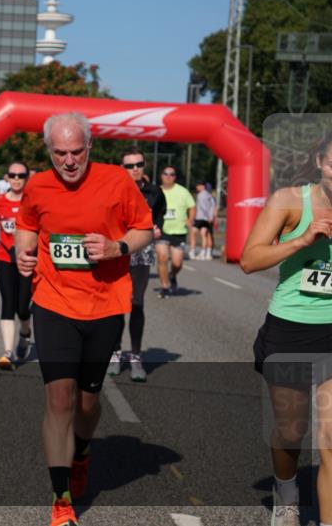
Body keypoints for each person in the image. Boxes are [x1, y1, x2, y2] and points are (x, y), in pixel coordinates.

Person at [15, 112, 152, 526]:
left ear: (89, 148)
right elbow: (27, 223)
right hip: (54, 303)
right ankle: (61, 501)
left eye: (77, 152)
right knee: (59, 399)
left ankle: (84, 449)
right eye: (60, 153)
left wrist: (117, 247)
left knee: (88, 404)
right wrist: (25, 251)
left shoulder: (116, 181)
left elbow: (145, 229)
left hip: (106, 304)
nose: (69, 161)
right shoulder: (37, 184)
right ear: (48, 151)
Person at [242, 135, 332, 526]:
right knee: (291, 432)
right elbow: (249, 259)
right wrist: (302, 241)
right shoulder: (290, 201)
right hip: (292, 330)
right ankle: (287, 489)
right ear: (321, 161)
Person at [107, 149, 166, 382]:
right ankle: (114, 353)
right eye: (129, 165)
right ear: (122, 168)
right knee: (116, 304)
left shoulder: (154, 191)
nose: (135, 169)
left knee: (137, 303)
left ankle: (136, 357)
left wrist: (158, 226)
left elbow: (159, 213)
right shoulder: (114, 191)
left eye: (139, 164)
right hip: (117, 252)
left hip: (141, 253)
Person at [0, 160, 33, 369]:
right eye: (12, 175)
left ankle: (25, 333)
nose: (16, 179)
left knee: (22, 308)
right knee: (8, 303)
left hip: (27, 260)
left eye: (21, 175)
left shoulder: (33, 201)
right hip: (4, 258)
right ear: (7, 177)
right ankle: (7, 353)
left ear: (27, 178)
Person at [156, 167, 196, 297]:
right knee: (162, 257)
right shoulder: (156, 191)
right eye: (165, 174)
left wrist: (190, 219)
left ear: (175, 177)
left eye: (172, 174)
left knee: (177, 263)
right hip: (161, 230)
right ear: (161, 176)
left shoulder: (183, 191)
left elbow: (192, 206)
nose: (168, 176)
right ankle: (165, 287)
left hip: (178, 232)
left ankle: (172, 275)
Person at [192, 181, 217, 260]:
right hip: (209, 218)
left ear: (202, 186)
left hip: (201, 217)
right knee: (207, 235)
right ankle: (207, 253)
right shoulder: (210, 196)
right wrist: (212, 217)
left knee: (195, 233)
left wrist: (208, 216)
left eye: (198, 186)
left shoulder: (200, 195)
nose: (196, 187)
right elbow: (213, 207)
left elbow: (203, 207)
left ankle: (199, 252)